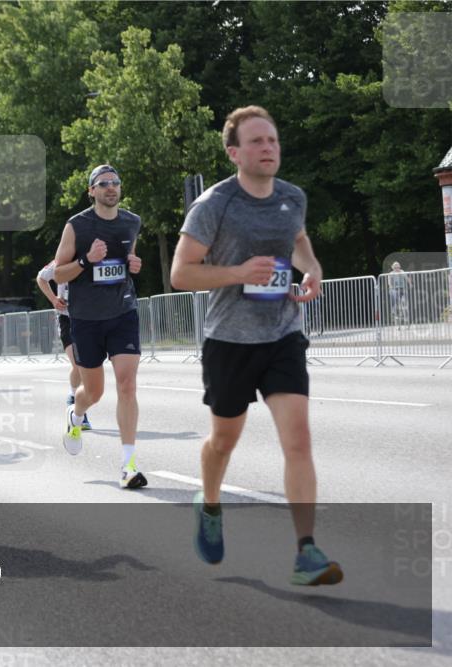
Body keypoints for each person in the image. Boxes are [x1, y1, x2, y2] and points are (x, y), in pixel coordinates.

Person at [170, 105, 342, 586]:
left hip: (283, 333)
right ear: (234, 152)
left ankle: (306, 551)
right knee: (224, 440)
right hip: (229, 341)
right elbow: (181, 273)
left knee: (299, 440)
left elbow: (300, 240)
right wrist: (238, 274)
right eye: (257, 142)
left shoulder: (292, 196)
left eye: (273, 140)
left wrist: (313, 268)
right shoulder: (213, 204)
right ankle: (209, 506)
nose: (269, 148)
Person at [53, 164, 147, 489]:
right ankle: (76, 415)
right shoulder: (76, 226)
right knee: (94, 392)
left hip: (123, 312)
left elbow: (127, 262)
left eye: (115, 182)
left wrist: (134, 265)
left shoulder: (132, 221)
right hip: (86, 318)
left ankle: (129, 465)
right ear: (91, 190)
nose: (111, 187)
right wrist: (85, 261)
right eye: (103, 183)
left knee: (127, 385)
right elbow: (58, 274)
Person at [36, 259, 91, 429]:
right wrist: (53, 299)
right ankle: (77, 406)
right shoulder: (62, 260)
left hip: (88, 318)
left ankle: (74, 397)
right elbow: (41, 278)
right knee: (77, 362)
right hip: (66, 317)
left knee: (85, 366)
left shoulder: (92, 257)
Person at [388, 261, 411, 327]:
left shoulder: (402, 271)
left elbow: (407, 278)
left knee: (404, 303)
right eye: (395, 267)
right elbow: (389, 282)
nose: (396, 268)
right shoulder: (391, 273)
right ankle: (396, 320)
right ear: (393, 268)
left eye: (397, 267)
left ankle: (406, 318)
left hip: (402, 289)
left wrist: (410, 283)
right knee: (396, 306)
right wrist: (390, 286)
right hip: (395, 290)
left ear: (399, 267)